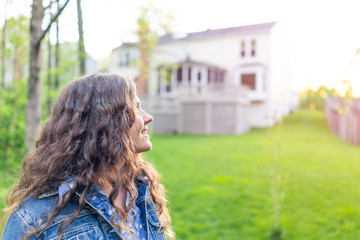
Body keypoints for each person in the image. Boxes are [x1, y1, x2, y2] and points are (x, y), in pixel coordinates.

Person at [2, 73, 174, 240]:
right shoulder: (34, 218)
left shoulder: (142, 189)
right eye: (135, 108)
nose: (148, 117)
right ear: (104, 122)